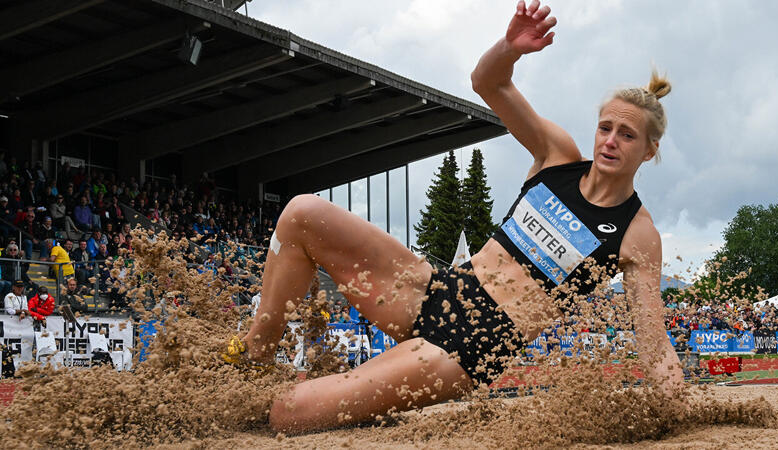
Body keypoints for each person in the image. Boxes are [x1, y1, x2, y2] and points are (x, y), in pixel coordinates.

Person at [222, 1, 683, 433]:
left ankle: (333, 398)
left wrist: (680, 413)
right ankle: (257, 355)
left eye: (626, 135)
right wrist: (509, 49)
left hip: (469, 348)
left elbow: (653, 339)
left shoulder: (636, 234)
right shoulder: (558, 157)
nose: (610, 141)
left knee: (289, 413)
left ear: (649, 149)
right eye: (606, 127)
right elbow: (489, 84)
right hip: (438, 289)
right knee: (302, 213)